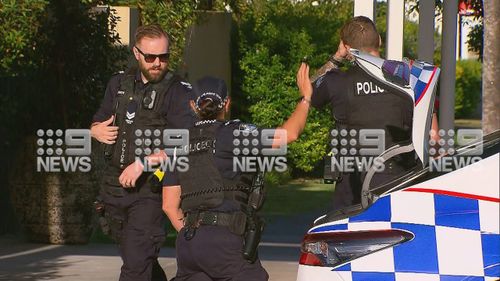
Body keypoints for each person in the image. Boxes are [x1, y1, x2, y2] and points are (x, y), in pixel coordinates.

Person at [162, 65, 312, 281]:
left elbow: (168, 204)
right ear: (227, 103)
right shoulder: (232, 134)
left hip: (189, 244)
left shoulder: (178, 142)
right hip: (225, 243)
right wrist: (305, 98)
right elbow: (288, 135)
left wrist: (195, 234)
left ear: (192, 105)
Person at [90, 24, 196, 281]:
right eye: (150, 57)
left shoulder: (180, 91)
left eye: (164, 56)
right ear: (137, 54)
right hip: (114, 188)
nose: (158, 63)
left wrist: (143, 163)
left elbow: (186, 143)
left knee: (135, 267)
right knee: (138, 259)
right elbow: (100, 119)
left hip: (152, 189)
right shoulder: (118, 84)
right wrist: (95, 130)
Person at [310, 16, 439, 211]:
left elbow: (309, 92)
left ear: (346, 47)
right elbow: (434, 138)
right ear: (379, 40)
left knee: (352, 240)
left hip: (352, 190)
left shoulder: (338, 82)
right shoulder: (409, 78)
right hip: (401, 186)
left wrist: (336, 57)